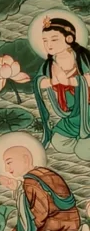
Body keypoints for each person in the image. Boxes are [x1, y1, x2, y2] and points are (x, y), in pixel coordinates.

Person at [0, 143, 84, 231]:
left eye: (9, 162)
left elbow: (39, 215)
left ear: (26, 159)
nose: (7, 169)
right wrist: (17, 188)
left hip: (59, 226)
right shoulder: (44, 172)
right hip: (71, 221)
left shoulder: (31, 182)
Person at [34, 16, 90, 162]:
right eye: (45, 40)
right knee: (59, 142)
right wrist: (51, 81)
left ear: (69, 38)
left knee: (83, 152)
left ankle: (84, 141)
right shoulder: (49, 65)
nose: (49, 45)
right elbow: (39, 82)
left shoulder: (82, 58)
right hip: (70, 116)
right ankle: (81, 140)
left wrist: (71, 81)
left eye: (54, 39)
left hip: (87, 110)